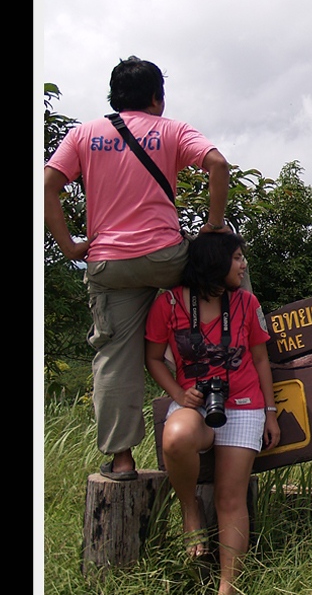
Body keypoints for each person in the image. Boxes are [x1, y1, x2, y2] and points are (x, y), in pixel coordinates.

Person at [44, 57, 231, 480]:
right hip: (167, 258)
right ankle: (249, 341)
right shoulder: (172, 130)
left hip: (110, 264)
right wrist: (214, 225)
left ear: (114, 97)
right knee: (227, 262)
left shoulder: (83, 134)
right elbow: (218, 165)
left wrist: (70, 246)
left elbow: (47, 185)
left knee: (115, 358)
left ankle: (122, 459)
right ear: (156, 97)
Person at [145, 232, 279, 595]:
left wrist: (270, 413)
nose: (243, 265)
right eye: (236, 258)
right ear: (214, 263)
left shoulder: (246, 303)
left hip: (243, 405)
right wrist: (178, 393)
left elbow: (260, 359)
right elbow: (153, 358)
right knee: (176, 437)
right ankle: (190, 509)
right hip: (195, 404)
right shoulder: (169, 303)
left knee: (230, 498)